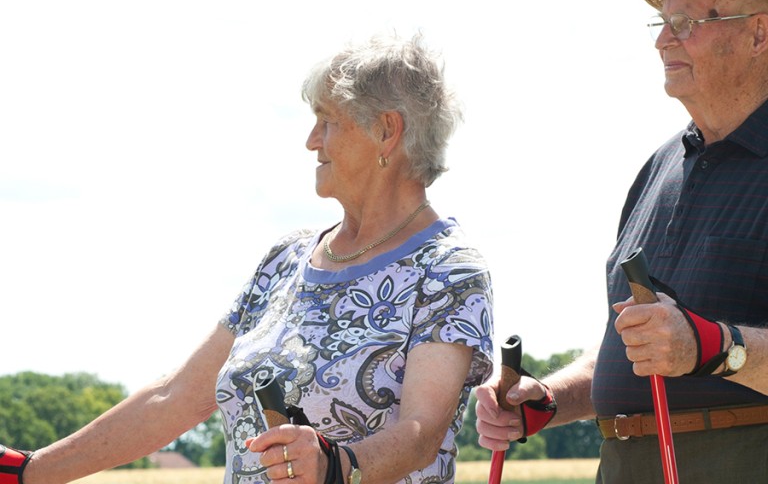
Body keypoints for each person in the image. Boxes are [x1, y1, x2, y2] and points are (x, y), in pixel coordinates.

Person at [0, 33, 494, 484]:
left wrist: (337, 466)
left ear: (387, 131)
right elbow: (175, 398)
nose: (311, 140)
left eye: (329, 122)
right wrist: (26, 471)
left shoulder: (447, 269)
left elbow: (421, 432)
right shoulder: (286, 259)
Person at [475, 0, 768, 483]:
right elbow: (630, 349)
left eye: (687, 22)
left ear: (759, 33)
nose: (663, 39)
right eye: (663, 22)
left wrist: (712, 346)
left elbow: (687, 348)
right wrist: (546, 400)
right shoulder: (659, 166)